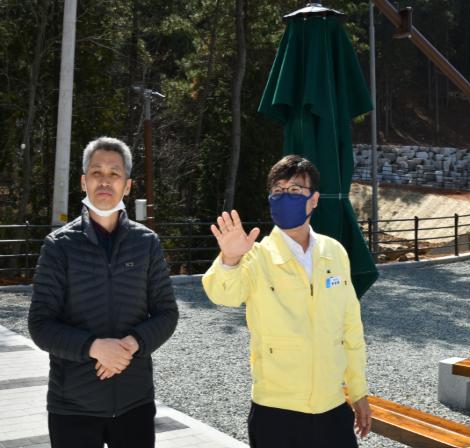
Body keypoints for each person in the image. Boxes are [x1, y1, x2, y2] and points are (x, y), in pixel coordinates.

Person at [202, 155, 371, 448]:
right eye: (278, 191)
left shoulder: (334, 252)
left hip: (332, 405)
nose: (285, 196)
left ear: (314, 200)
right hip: (276, 412)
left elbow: (351, 329)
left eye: (294, 190)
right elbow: (223, 294)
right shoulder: (256, 256)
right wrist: (230, 258)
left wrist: (358, 391)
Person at [28, 136, 179, 448]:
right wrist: (94, 348)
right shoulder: (59, 246)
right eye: (96, 172)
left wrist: (130, 345)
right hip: (72, 407)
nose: (105, 181)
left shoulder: (147, 243)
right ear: (84, 181)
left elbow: (167, 313)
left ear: (128, 185)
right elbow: (40, 325)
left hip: (135, 402)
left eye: (115, 173)